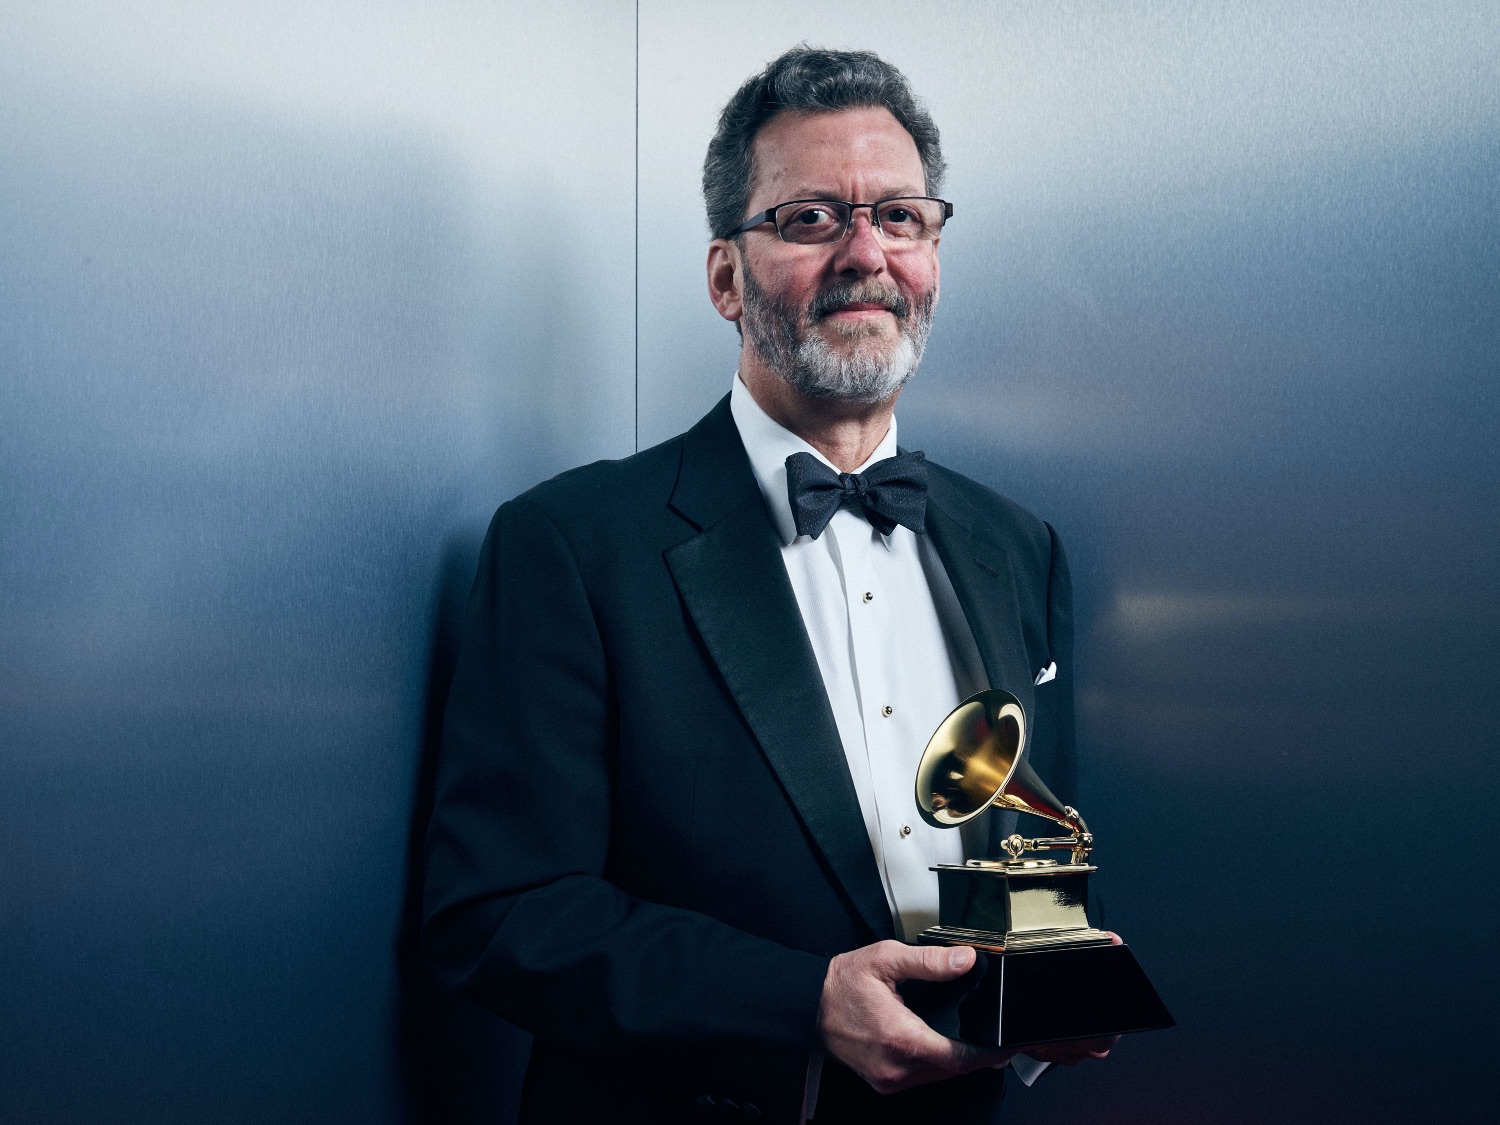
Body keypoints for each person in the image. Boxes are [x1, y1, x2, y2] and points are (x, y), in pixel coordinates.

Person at [423, 47, 1112, 1124]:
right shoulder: (567, 542)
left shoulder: (1017, 547)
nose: (865, 254)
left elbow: (1038, 852)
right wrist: (801, 1004)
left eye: (900, 216)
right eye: (808, 220)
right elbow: (500, 913)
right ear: (724, 279)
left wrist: (1052, 989)